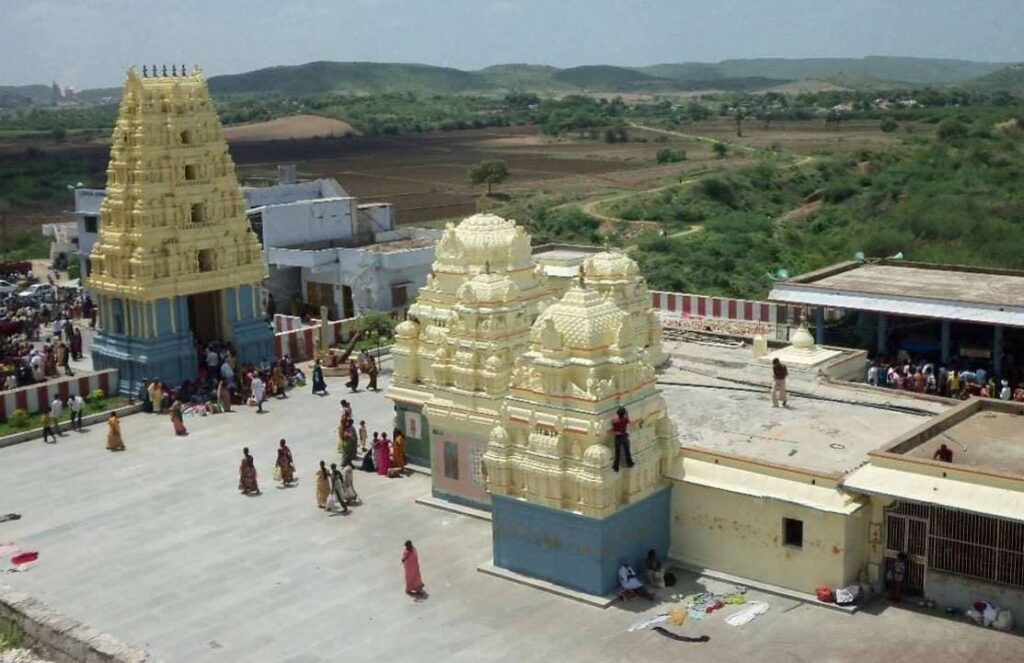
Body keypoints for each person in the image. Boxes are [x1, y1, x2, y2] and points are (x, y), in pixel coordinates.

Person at [610, 406, 634, 472]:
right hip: (624, 436)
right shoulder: (625, 420)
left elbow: (613, 428)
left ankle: (616, 466)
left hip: (617, 437)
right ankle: (630, 463)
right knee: (627, 451)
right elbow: (629, 422)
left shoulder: (615, 421)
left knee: (617, 452)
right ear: (623, 414)